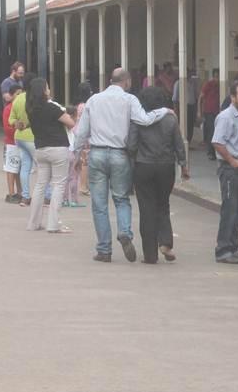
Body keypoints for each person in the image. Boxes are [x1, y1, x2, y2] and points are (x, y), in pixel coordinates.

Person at [74, 68, 172, 263]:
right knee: (121, 199)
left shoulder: (94, 100)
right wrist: (164, 111)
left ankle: (104, 250)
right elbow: (144, 120)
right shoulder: (130, 100)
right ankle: (125, 233)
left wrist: (76, 155)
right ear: (126, 81)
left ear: (111, 80)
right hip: (120, 154)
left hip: (97, 153)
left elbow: (82, 131)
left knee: (99, 204)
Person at [127, 86, 189, 265]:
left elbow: (131, 145)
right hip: (166, 166)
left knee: (147, 209)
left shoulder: (138, 119)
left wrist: (133, 159)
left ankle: (150, 255)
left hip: (143, 167)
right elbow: (178, 144)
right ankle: (166, 243)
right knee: (163, 204)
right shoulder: (171, 119)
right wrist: (183, 165)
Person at [26, 78, 77, 234]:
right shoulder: (52, 107)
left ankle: (33, 223)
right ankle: (54, 224)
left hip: (41, 149)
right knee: (58, 185)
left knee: (40, 185)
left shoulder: (31, 109)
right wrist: (63, 111)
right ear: (43, 91)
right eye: (47, 88)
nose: (49, 90)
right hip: (58, 149)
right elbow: (71, 123)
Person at [212, 81, 238, 264]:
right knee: (229, 210)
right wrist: (232, 161)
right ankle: (223, 250)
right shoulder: (225, 117)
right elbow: (217, 142)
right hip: (230, 170)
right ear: (233, 97)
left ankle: (233, 248)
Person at [8, 72, 38, 207]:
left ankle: (25, 197)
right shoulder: (35, 99)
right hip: (33, 137)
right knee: (43, 167)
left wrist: (16, 123)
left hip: (19, 137)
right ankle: (47, 196)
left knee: (25, 167)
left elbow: (11, 119)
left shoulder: (18, 98)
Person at [62, 105, 87, 208]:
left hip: (63, 152)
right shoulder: (76, 127)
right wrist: (80, 157)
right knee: (74, 177)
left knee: (64, 178)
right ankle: (74, 200)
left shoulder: (62, 126)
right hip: (73, 153)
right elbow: (78, 143)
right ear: (73, 116)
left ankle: (64, 200)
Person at [2, 85, 23, 203]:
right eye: (17, 94)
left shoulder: (22, 108)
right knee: (11, 168)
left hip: (21, 142)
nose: (20, 96)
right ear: (11, 95)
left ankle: (20, 192)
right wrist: (19, 130)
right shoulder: (8, 109)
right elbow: (7, 128)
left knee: (19, 169)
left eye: (21, 94)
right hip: (11, 143)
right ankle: (11, 193)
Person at [172, 67, 199, 146]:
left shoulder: (192, 83)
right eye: (187, 73)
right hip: (182, 107)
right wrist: (176, 111)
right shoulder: (178, 83)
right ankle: (181, 143)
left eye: (189, 72)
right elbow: (175, 99)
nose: (188, 74)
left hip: (191, 106)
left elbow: (195, 95)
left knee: (190, 125)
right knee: (183, 125)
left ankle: (188, 143)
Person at [75, 82, 93, 198]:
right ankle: (83, 186)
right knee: (85, 161)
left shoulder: (80, 105)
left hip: (78, 133)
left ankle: (82, 185)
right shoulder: (87, 105)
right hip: (86, 135)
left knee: (82, 160)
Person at [198, 68, 221, 161]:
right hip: (209, 112)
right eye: (216, 76)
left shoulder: (221, 85)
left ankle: (216, 151)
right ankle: (211, 152)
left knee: (218, 132)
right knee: (211, 132)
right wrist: (199, 112)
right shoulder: (208, 84)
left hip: (218, 112)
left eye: (218, 77)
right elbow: (201, 98)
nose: (217, 79)